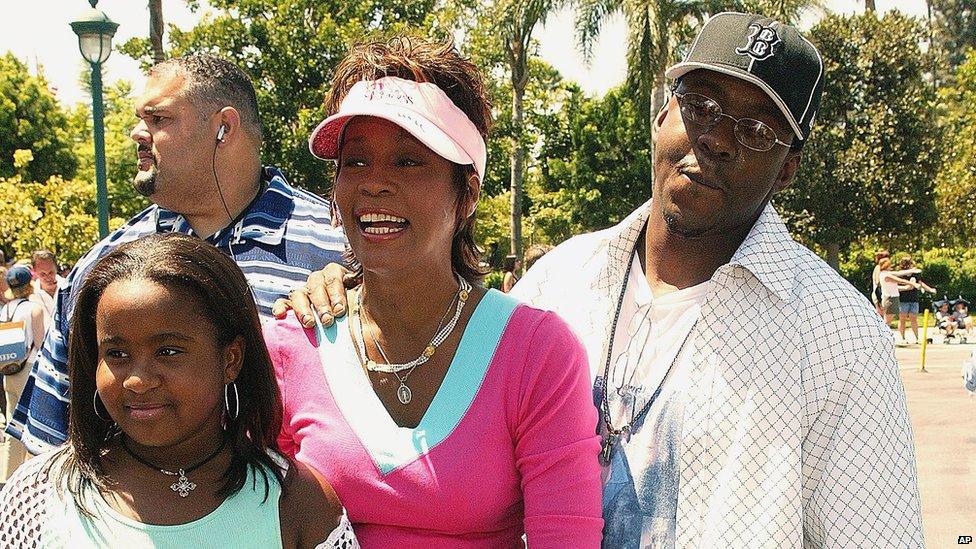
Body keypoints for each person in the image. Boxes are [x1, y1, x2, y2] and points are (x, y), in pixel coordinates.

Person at [283, 14, 924, 546]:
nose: (718, 140)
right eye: (701, 106)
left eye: (757, 129)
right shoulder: (564, 276)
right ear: (662, 114)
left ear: (788, 168)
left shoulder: (836, 333)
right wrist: (357, 285)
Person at [267, 36, 602, 547]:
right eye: (355, 161)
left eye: (409, 161)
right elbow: (255, 518)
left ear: (466, 193)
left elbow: (567, 537)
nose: (374, 183)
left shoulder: (538, 352)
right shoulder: (292, 342)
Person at [7, 53, 346, 456]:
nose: (137, 133)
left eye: (158, 119)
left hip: (299, 514)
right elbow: (52, 443)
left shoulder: (339, 248)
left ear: (224, 128)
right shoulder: (104, 264)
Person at [0, 234, 356, 547]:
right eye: (117, 354)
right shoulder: (40, 497)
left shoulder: (296, 502)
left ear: (230, 359)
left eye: (168, 352)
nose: (137, 380)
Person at [0, 266, 45, 481]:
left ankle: (8, 478)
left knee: (12, 426)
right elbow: (41, 343)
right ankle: (32, 477)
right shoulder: (33, 309)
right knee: (34, 425)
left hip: (8, 371)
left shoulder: (5, 310)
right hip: (28, 371)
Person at [896, 256, 936, 344]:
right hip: (903, 299)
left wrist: (930, 289)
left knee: (913, 318)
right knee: (902, 319)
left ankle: (917, 337)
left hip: (913, 299)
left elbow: (920, 283)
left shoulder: (915, 274)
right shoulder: (900, 274)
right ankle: (902, 338)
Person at [878, 257, 920, 327]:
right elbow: (900, 280)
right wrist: (913, 284)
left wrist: (911, 271)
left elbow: (899, 273)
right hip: (890, 299)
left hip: (892, 298)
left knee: (888, 321)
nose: (891, 266)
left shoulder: (886, 273)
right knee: (887, 322)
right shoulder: (886, 275)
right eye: (889, 264)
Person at [29, 250, 64, 328]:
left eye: (51, 272)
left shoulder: (68, 289)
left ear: (56, 268)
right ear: (34, 271)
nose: (48, 277)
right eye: (43, 274)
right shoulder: (31, 295)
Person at [871, 250, 889, 317]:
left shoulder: (881, 268)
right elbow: (877, 281)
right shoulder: (878, 268)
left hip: (880, 293)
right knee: (881, 315)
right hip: (878, 293)